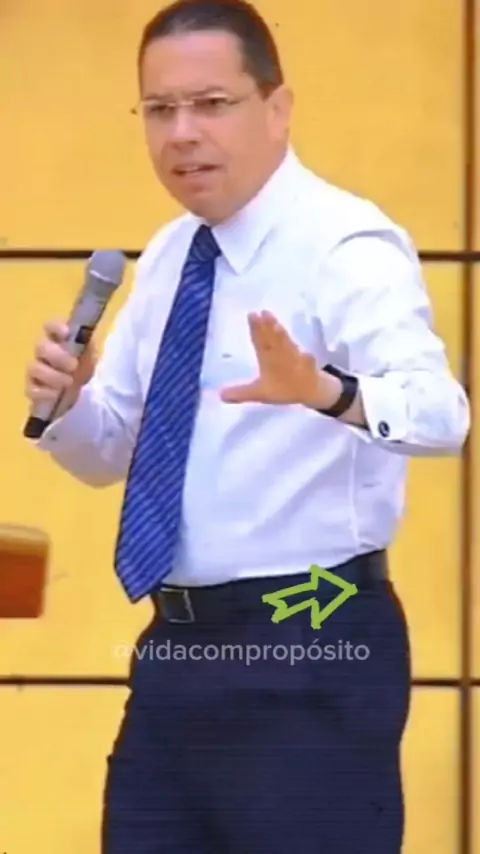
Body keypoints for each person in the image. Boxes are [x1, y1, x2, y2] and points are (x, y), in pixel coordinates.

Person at [24, 1, 470, 852]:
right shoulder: (169, 255)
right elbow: (109, 456)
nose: (182, 133)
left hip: (312, 639)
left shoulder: (344, 244)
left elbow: (443, 416)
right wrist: (70, 404)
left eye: (212, 104)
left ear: (278, 107)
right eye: (160, 110)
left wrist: (324, 391)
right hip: (175, 648)